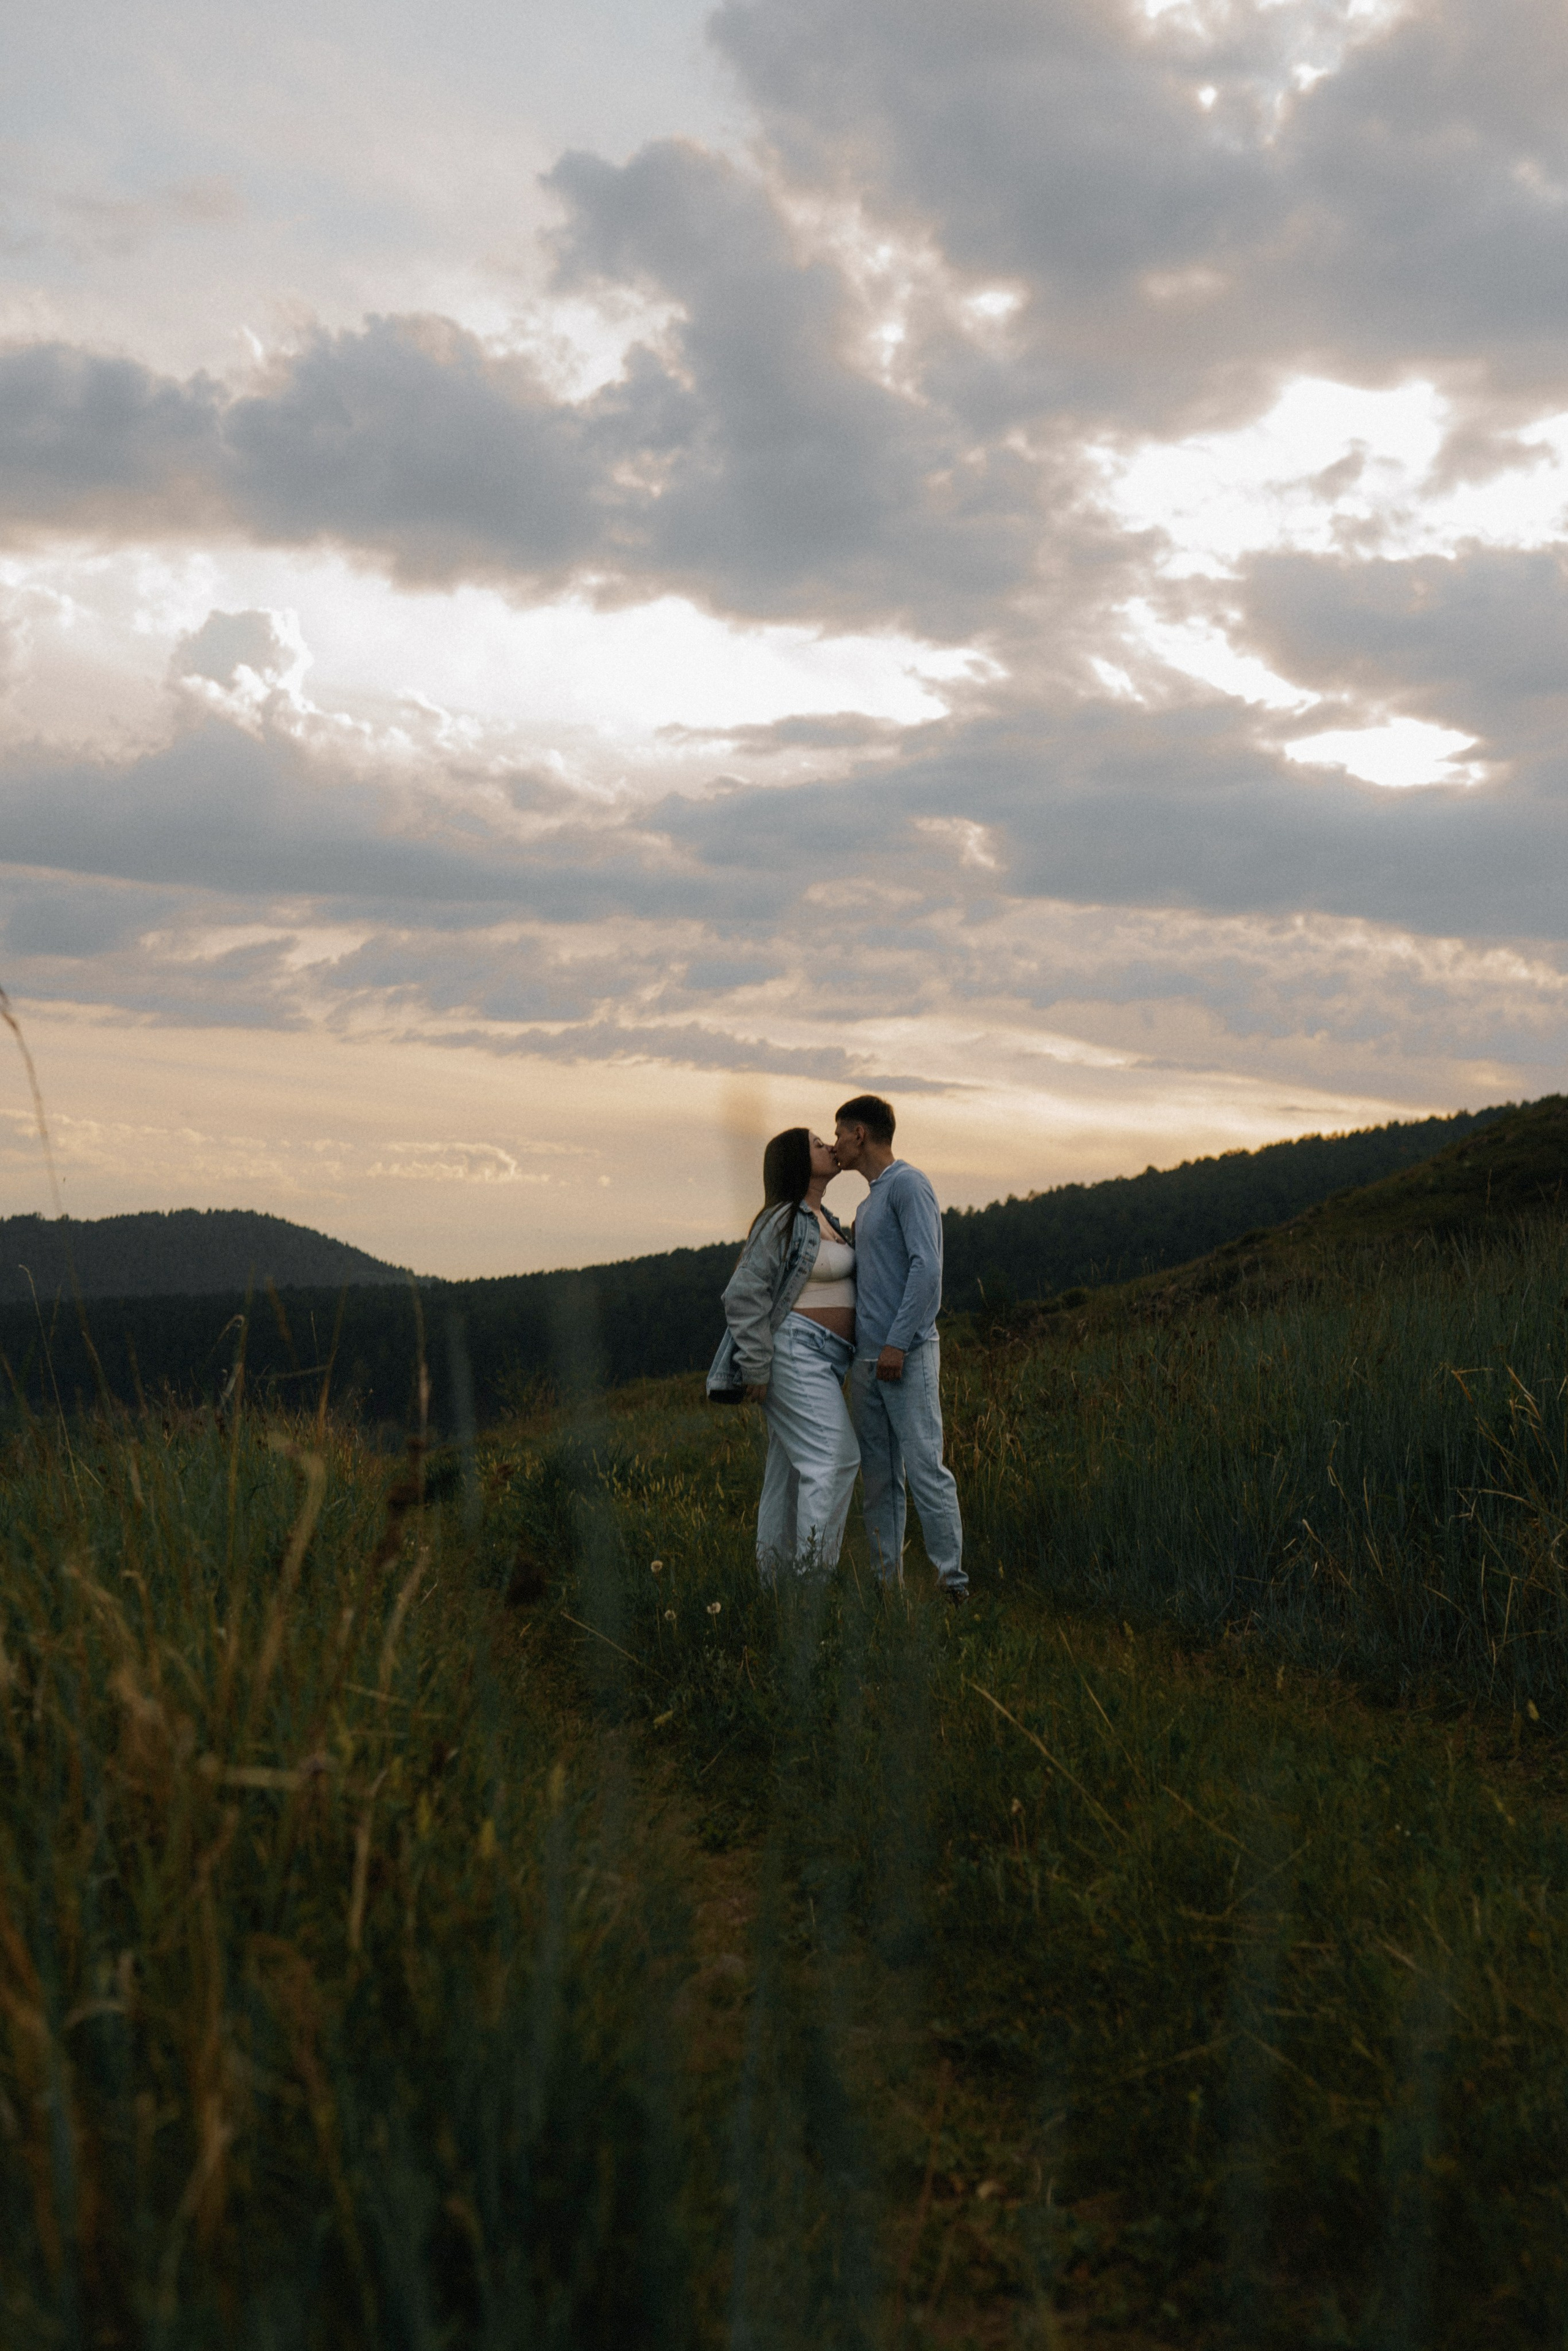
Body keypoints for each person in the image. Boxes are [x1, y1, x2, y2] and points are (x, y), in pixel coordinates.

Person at [833, 1094, 968, 1602]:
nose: (837, 1143)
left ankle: (952, 1585)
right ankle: (887, 1588)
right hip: (867, 1362)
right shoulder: (868, 1203)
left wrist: (898, 1343)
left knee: (926, 1468)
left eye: (840, 1132)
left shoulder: (909, 1184)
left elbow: (927, 1268)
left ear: (860, 1134)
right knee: (880, 1481)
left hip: (904, 1356)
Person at [713, 1126, 861, 1583]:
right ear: (798, 1162)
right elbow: (743, 1294)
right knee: (836, 1459)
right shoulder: (782, 1219)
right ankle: (812, 1586)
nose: (830, 1147)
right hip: (796, 1351)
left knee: (792, 1473)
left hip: (828, 1359)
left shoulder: (828, 1219)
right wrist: (755, 1365)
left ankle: (775, 1585)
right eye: (819, 1144)